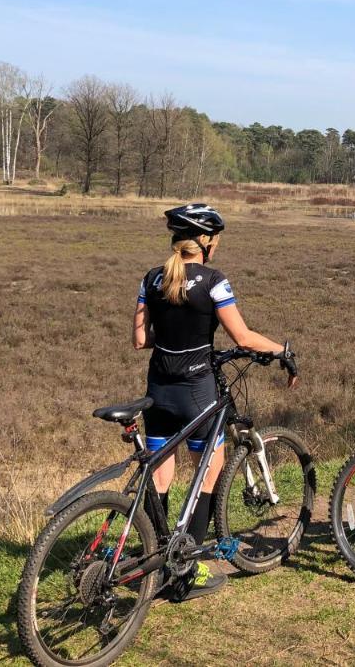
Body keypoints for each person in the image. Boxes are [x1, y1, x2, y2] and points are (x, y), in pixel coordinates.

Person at [132, 202, 288, 599]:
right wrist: (282, 350)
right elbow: (243, 338)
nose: (216, 246)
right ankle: (186, 571)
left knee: (160, 477)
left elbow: (140, 340)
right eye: (214, 240)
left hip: (158, 390)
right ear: (204, 242)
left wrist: (169, 338)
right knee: (209, 471)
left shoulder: (151, 279)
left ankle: (154, 561)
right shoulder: (214, 281)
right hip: (196, 391)